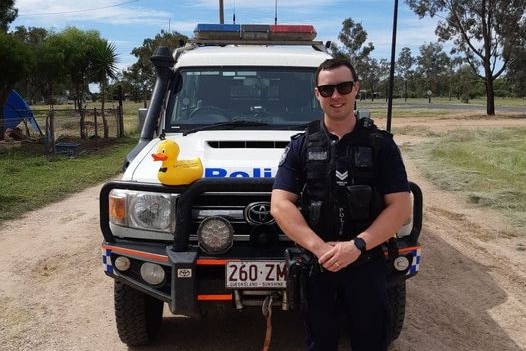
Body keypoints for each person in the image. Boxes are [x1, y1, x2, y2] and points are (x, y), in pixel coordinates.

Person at [270, 58, 412, 351]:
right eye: (327, 90)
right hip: (318, 266)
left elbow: (399, 206)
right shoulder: (300, 146)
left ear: (356, 88)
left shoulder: (381, 145)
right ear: (317, 94)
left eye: (343, 87)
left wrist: (357, 246)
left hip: (367, 263)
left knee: (371, 342)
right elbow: (280, 204)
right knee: (320, 343)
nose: (336, 96)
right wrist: (321, 249)